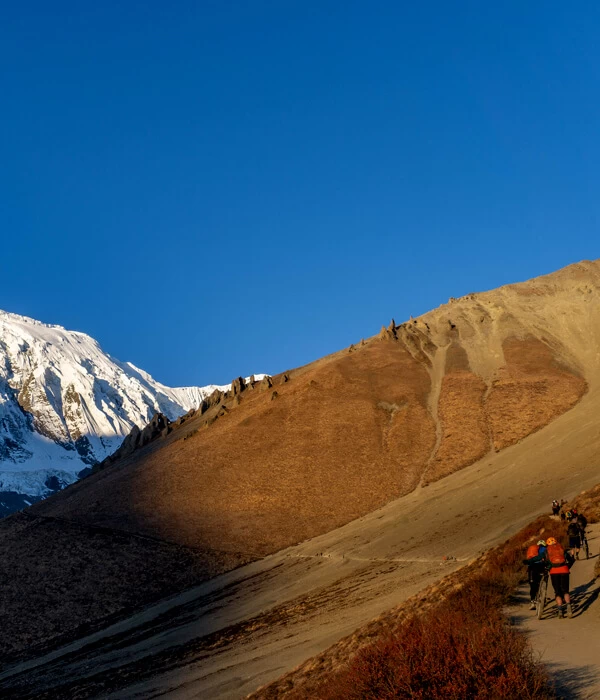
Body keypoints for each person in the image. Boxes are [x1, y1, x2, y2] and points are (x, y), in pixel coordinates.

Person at [544, 536, 575, 618]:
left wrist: (548, 568)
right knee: (566, 591)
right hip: (564, 570)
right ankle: (569, 608)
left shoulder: (547, 551)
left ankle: (560, 611)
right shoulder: (561, 549)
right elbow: (571, 560)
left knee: (557, 592)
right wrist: (567, 567)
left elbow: (545, 562)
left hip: (554, 572)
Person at [523, 540, 547, 610]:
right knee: (543, 582)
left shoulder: (533, 549)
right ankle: (543, 599)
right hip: (542, 567)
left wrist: (527, 562)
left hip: (533, 567)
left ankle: (533, 601)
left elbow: (530, 559)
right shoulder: (545, 549)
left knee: (532, 584)